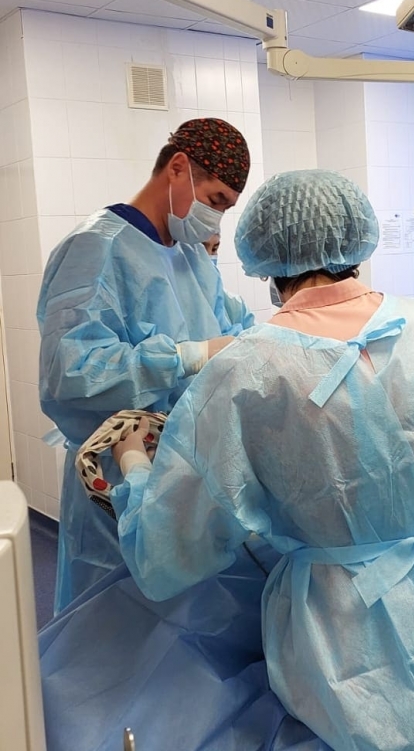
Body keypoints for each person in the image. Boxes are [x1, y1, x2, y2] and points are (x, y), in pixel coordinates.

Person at [110, 169, 414, 751]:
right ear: (355, 241)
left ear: (266, 261)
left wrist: (133, 467)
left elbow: (170, 546)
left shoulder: (247, 368)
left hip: (353, 623)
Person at [37, 117, 251, 614]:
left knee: (181, 621)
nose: (216, 219)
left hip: (182, 469)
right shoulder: (96, 248)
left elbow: (230, 328)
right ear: (178, 168)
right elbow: (70, 371)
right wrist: (185, 357)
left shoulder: (191, 257)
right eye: (215, 200)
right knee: (113, 621)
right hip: (114, 475)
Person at [203, 232, 255, 330]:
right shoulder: (173, 307)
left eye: (214, 249)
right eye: (201, 249)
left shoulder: (234, 306)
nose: (209, 256)